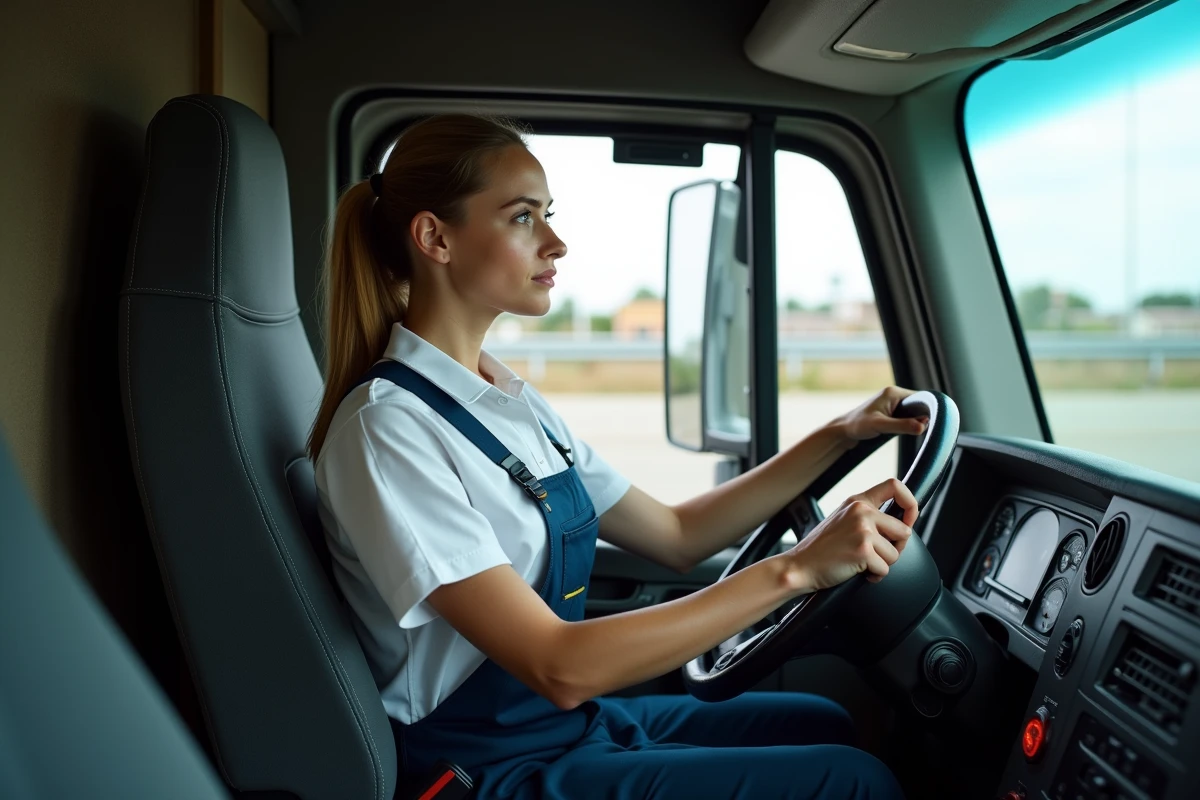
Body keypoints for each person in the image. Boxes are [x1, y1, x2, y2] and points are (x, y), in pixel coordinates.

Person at [310, 113, 925, 799]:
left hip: (560, 728)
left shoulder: (508, 399)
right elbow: (556, 663)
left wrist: (839, 434)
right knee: (853, 781)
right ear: (435, 238)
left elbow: (677, 536)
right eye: (522, 218)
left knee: (822, 719)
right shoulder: (388, 431)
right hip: (486, 769)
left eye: (548, 215)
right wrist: (797, 570)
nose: (557, 242)